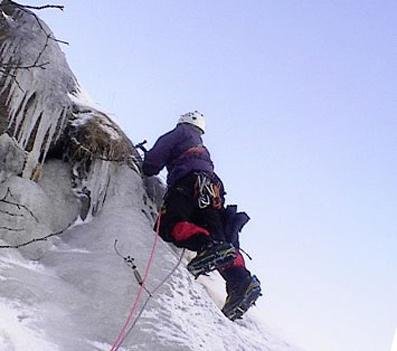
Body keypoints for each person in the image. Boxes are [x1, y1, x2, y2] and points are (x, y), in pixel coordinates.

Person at [142, 111, 261, 320]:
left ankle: (208, 247)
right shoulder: (203, 150)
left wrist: (148, 165)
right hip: (212, 191)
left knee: (169, 225)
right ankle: (241, 282)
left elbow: (153, 161)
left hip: (188, 183)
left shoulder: (181, 132)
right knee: (219, 237)